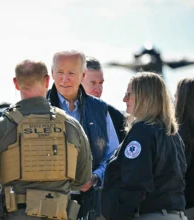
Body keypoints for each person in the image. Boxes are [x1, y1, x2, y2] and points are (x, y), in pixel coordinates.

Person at [0, 60, 92, 220]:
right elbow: (82, 180)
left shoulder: (0, 127)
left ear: (16, 83)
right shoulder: (71, 126)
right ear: (47, 80)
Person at [101, 72, 187, 220]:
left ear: (144, 98)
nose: (124, 99)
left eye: (129, 94)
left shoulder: (142, 132)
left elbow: (135, 183)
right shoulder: (172, 134)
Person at [47, 50, 119, 219]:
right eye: (60, 73)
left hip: (91, 205)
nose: (65, 79)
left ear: (82, 74)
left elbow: (114, 154)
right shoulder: (38, 109)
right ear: (51, 73)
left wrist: (95, 177)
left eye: (71, 73)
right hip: (49, 205)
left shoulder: (100, 109)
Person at [175, 78, 194, 220]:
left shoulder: (180, 136)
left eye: (176, 96)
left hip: (192, 209)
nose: (174, 101)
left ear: (184, 100)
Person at [81, 56, 126, 143]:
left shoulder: (114, 116)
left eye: (101, 83)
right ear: (78, 81)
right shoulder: (61, 110)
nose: (99, 89)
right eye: (93, 83)